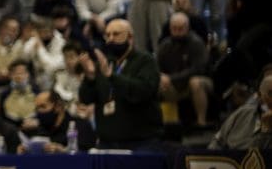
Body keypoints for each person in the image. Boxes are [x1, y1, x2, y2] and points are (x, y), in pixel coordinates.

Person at [78, 19, 163, 149]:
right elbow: (86, 98)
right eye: (107, 35)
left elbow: (141, 92)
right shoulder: (105, 63)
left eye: (116, 34)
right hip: (107, 142)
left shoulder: (145, 61)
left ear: (130, 38)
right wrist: (90, 78)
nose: (110, 39)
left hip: (141, 142)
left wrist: (112, 77)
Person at [156, 13, 212, 128]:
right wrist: (161, 77)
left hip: (201, 82)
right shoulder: (165, 45)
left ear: (187, 27)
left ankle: (201, 122)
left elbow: (198, 69)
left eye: (180, 29)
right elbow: (157, 67)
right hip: (174, 84)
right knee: (157, 82)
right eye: (174, 29)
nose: (177, 32)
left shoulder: (196, 43)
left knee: (195, 82)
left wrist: (171, 78)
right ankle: (166, 123)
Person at [17, 90, 96, 153]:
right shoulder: (40, 129)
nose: (39, 111)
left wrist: (63, 151)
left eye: (43, 107)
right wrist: (26, 151)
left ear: (58, 106)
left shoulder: (80, 126)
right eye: (37, 108)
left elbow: (86, 157)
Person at [207, 73, 272, 150]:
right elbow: (216, 143)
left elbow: (259, 158)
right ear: (259, 96)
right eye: (271, 94)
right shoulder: (242, 113)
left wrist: (266, 132)